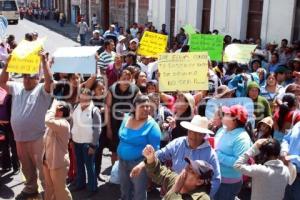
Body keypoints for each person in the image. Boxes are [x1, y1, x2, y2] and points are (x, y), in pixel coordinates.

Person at [0, 52, 53, 200]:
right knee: (26, 167)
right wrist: (8, 64)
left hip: (37, 137)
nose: (26, 80)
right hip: (19, 137)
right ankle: (31, 188)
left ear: (37, 78)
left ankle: (48, 193)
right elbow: (2, 82)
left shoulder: (42, 89)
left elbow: (50, 82)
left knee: (43, 169)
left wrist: (44, 62)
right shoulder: (17, 87)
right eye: (24, 76)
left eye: (30, 77)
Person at [131, 115, 221, 198]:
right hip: (173, 185)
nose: (192, 135)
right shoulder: (178, 143)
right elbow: (160, 157)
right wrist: (142, 164)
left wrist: (199, 197)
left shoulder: (210, 154)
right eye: (190, 131)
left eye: (197, 132)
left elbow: (216, 180)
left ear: (204, 135)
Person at [118, 95, 161, 200]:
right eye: (142, 106)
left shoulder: (152, 126)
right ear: (134, 108)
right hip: (122, 162)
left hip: (139, 164)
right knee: (124, 189)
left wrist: (142, 165)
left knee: (139, 193)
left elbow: (155, 151)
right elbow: (121, 137)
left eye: (148, 106)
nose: (146, 109)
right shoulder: (127, 118)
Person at [143, 145, 212, 200]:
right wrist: (151, 159)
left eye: (191, 171)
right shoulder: (178, 179)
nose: (185, 170)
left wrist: (176, 188)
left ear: (199, 182)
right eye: (188, 167)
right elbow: (159, 172)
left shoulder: (202, 198)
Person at [214, 105, 252, 200]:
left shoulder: (242, 138)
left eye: (227, 114)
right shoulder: (222, 130)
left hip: (228, 183)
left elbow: (238, 162)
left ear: (234, 120)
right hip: (216, 177)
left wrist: (217, 155)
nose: (224, 115)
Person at [71, 88, 101, 197]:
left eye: (86, 97)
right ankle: (80, 184)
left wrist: (93, 145)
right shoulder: (76, 107)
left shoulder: (94, 110)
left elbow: (98, 130)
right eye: (81, 97)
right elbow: (72, 123)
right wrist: (71, 139)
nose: (83, 99)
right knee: (79, 165)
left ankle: (93, 187)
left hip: (88, 144)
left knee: (89, 166)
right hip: (76, 141)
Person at [105, 70, 140, 164]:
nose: (126, 81)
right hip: (114, 124)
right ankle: (114, 173)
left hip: (130, 125)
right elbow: (107, 109)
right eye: (123, 78)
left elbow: (140, 106)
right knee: (114, 150)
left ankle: (126, 173)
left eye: (128, 79)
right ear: (119, 79)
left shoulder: (135, 90)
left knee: (128, 149)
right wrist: (108, 128)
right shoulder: (112, 89)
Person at [43, 100, 72, 200]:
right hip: (48, 162)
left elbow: (48, 120)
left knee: (60, 190)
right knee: (49, 188)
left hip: (58, 163)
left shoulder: (63, 124)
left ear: (62, 112)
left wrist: (53, 105)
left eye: (57, 109)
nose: (54, 111)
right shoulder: (53, 124)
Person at [281, 121, 300, 200]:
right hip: (288, 173)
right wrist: (284, 151)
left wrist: (292, 158)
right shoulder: (298, 124)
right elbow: (286, 139)